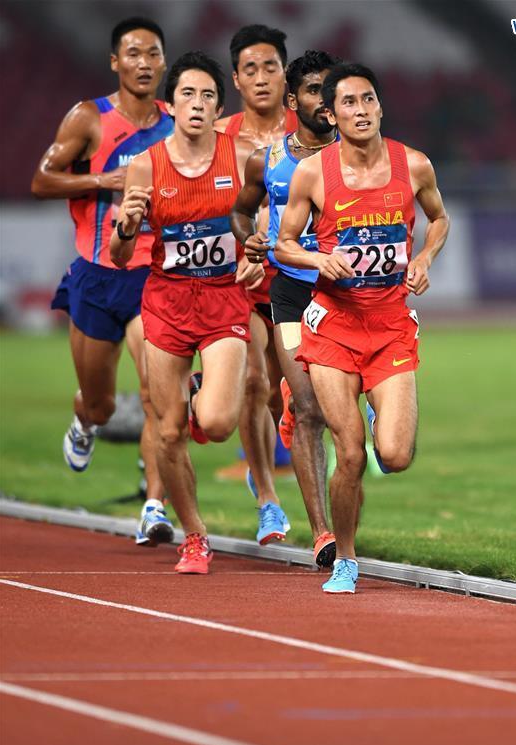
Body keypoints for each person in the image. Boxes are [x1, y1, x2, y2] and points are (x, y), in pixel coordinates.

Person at [275, 63, 450, 594]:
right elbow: (283, 242)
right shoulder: (313, 174)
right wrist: (315, 260)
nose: (361, 110)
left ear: (380, 106)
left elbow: (439, 218)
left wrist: (423, 257)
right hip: (333, 327)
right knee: (349, 451)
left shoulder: (414, 165)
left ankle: (377, 403)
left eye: (368, 99)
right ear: (330, 113)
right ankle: (346, 559)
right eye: (348, 102)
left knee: (393, 455)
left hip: (391, 324)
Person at [110, 50, 263, 574]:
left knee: (217, 423)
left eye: (207, 96)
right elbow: (121, 256)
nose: (197, 104)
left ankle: (202, 391)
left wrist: (257, 255)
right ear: (169, 105)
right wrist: (127, 227)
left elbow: (256, 227)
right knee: (170, 430)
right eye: (188, 95)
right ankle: (195, 536)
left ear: (219, 106)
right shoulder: (143, 165)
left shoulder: (242, 157)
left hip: (223, 299)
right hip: (167, 302)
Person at [31, 16, 175, 547]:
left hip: (152, 277)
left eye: (152, 53)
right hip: (95, 276)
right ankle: (85, 422)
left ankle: (154, 506)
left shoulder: (178, 120)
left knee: (160, 396)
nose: (143, 63)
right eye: (132, 54)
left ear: (163, 61)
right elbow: (41, 179)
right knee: (102, 404)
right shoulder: (89, 118)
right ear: (115, 62)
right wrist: (103, 178)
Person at [231, 50, 341, 568]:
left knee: (373, 435)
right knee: (310, 409)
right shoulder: (268, 159)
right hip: (293, 291)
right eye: (316, 91)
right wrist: (251, 239)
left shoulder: (366, 156)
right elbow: (240, 210)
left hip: (354, 296)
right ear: (294, 100)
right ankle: (322, 533)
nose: (328, 101)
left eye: (333, 90)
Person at [214, 24, 298, 544]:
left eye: (271, 66)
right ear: (236, 79)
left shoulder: (312, 129)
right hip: (235, 281)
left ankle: (268, 455)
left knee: (282, 395)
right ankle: (268, 499)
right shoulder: (218, 137)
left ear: (285, 73)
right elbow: (202, 211)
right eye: (251, 69)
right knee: (251, 382)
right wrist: (237, 251)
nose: (262, 77)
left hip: (293, 280)